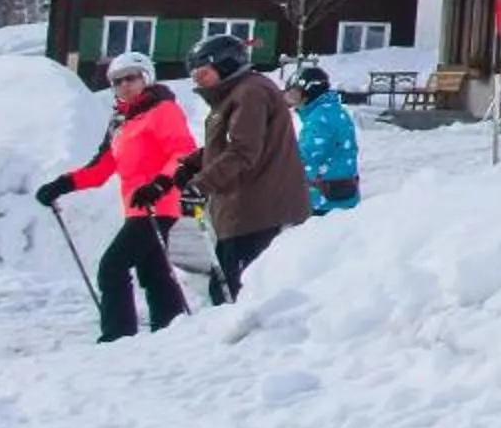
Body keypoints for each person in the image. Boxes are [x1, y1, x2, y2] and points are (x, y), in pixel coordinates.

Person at [32, 51, 197, 342]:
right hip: (137, 208)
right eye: (117, 81)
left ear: (146, 78)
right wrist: (62, 184)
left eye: (131, 78)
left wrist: (159, 185)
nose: (124, 85)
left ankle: (117, 335)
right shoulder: (121, 123)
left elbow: (183, 153)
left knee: (112, 267)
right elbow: (100, 168)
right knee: (153, 272)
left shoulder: (163, 110)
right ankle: (170, 331)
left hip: (156, 205)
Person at [176, 30, 310, 302]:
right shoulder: (236, 93)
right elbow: (233, 143)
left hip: (257, 212)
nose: (197, 80)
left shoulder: (250, 93)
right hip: (245, 211)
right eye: (194, 75)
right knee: (226, 290)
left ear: (225, 65)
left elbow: (243, 150)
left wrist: (201, 184)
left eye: (203, 73)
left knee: (236, 297)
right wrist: (195, 163)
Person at [288, 64, 362, 214]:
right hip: (342, 194)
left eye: (294, 93)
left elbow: (304, 158)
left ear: (308, 92)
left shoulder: (320, 118)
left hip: (325, 202)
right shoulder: (332, 111)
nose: (291, 99)